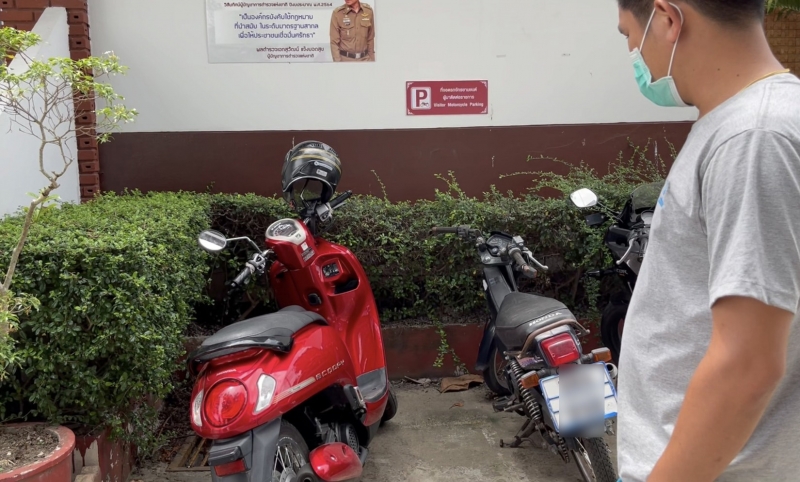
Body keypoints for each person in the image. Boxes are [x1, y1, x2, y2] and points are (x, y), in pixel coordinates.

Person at [614, 1, 800, 481]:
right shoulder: (746, 123)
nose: (634, 54)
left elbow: (748, 364)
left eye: (628, 36)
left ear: (668, 19)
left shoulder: (753, 137)